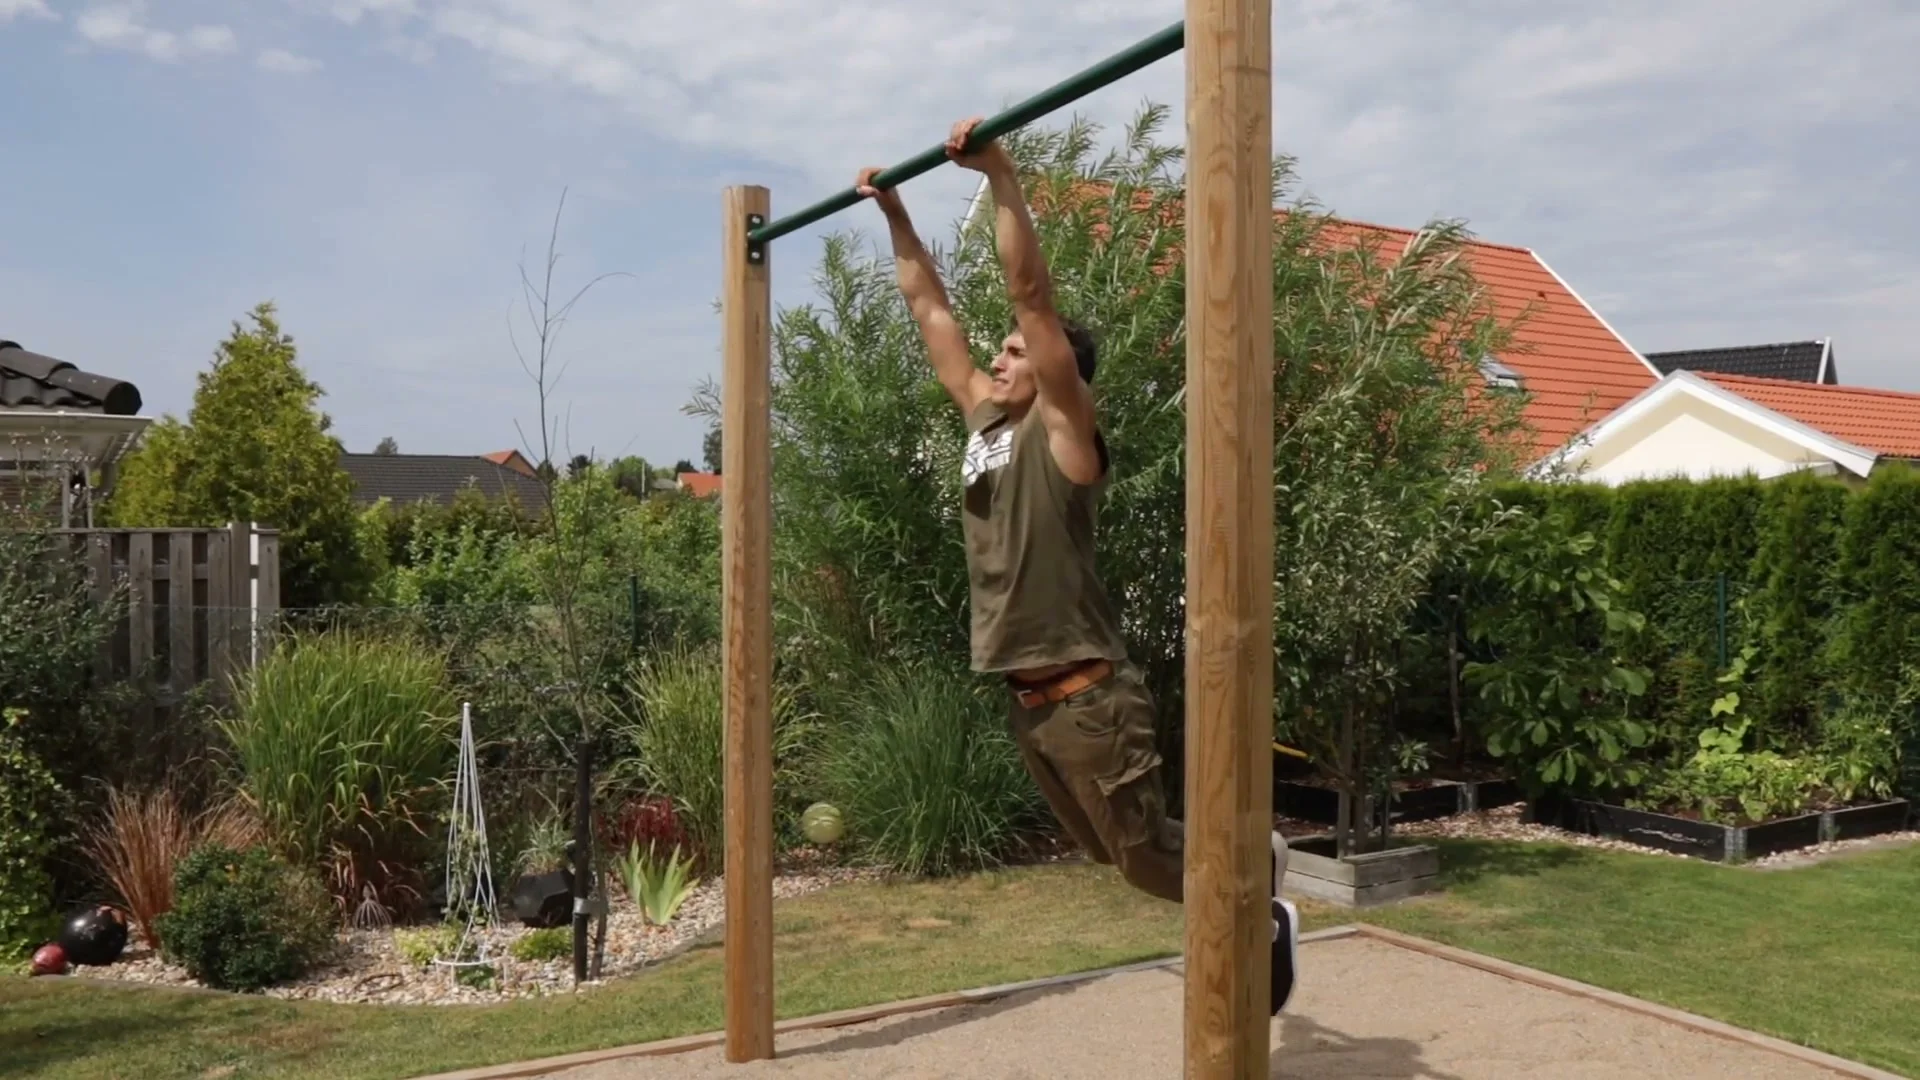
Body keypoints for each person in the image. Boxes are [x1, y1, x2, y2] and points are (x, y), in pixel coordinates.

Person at [855, 117, 1299, 1016]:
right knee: (1112, 854)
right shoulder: (984, 420)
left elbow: (1029, 292)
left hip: (1090, 694)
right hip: (1031, 702)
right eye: (1005, 353)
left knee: (1142, 866)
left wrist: (1002, 177)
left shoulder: (1065, 436)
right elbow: (929, 309)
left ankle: (1264, 911)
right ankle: (1255, 860)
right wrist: (897, 214)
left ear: (1060, 373)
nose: (1001, 355)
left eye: (1018, 352)